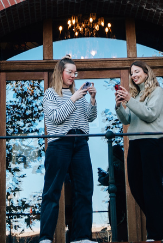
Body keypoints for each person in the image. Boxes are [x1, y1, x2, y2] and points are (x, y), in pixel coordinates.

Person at [39, 57, 97, 243]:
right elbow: (55, 118)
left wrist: (92, 99)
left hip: (80, 143)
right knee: (52, 190)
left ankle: (81, 237)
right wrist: (73, 99)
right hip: (59, 144)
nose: (73, 76)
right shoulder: (50, 94)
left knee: (84, 189)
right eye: (70, 72)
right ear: (60, 72)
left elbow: (89, 117)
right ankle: (46, 237)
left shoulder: (78, 94)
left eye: (75, 73)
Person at [114, 60, 163, 241]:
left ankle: (156, 232)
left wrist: (129, 100)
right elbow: (127, 120)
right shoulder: (136, 96)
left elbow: (150, 114)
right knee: (137, 188)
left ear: (146, 72)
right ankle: (158, 221)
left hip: (153, 143)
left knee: (152, 188)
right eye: (131, 73)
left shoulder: (157, 92)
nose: (133, 75)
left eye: (136, 71)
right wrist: (120, 106)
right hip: (136, 144)